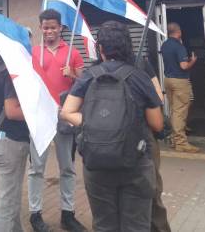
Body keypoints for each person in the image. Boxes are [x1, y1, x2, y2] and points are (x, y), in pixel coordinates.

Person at [61, 21, 163, 232]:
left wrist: (91, 124)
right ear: (128, 46)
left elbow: (67, 112)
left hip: (97, 163)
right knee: (136, 225)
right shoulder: (139, 76)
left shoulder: (89, 75)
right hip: (135, 163)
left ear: (100, 49)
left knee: (104, 225)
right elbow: (157, 123)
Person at [28, 9, 86, 232]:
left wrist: (73, 74)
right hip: (40, 116)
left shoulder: (73, 53)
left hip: (65, 115)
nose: (49, 31)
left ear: (61, 28)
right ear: (41, 28)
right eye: (45, 27)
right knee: (36, 169)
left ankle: (68, 214)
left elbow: (84, 83)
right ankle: (35, 213)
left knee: (68, 167)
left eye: (53, 27)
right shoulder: (34, 52)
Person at [0, 47, 29, 232]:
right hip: (10, 143)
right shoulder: (11, 74)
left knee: (11, 196)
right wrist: (37, 113)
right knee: (6, 203)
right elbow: (12, 111)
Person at [137, 57, 172, 232]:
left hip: (145, 135)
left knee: (152, 187)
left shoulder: (142, 63)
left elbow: (158, 96)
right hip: (119, 140)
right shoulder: (99, 68)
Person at [160, 22, 198, 153]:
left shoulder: (164, 45)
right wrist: (192, 60)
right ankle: (181, 142)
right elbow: (183, 66)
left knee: (174, 110)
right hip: (180, 81)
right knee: (180, 112)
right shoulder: (179, 46)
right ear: (179, 31)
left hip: (168, 80)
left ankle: (174, 139)